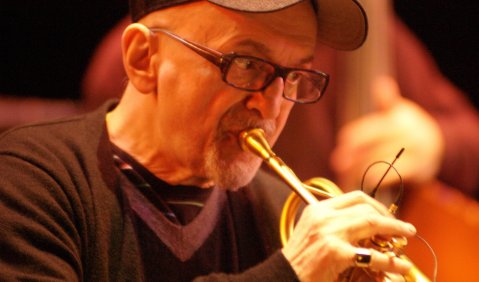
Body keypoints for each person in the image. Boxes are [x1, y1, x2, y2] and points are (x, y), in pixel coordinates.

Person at [0, 0, 418, 281]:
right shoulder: (27, 185)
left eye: (293, 75)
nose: (270, 106)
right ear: (144, 60)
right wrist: (288, 273)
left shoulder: (278, 216)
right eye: (246, 63)